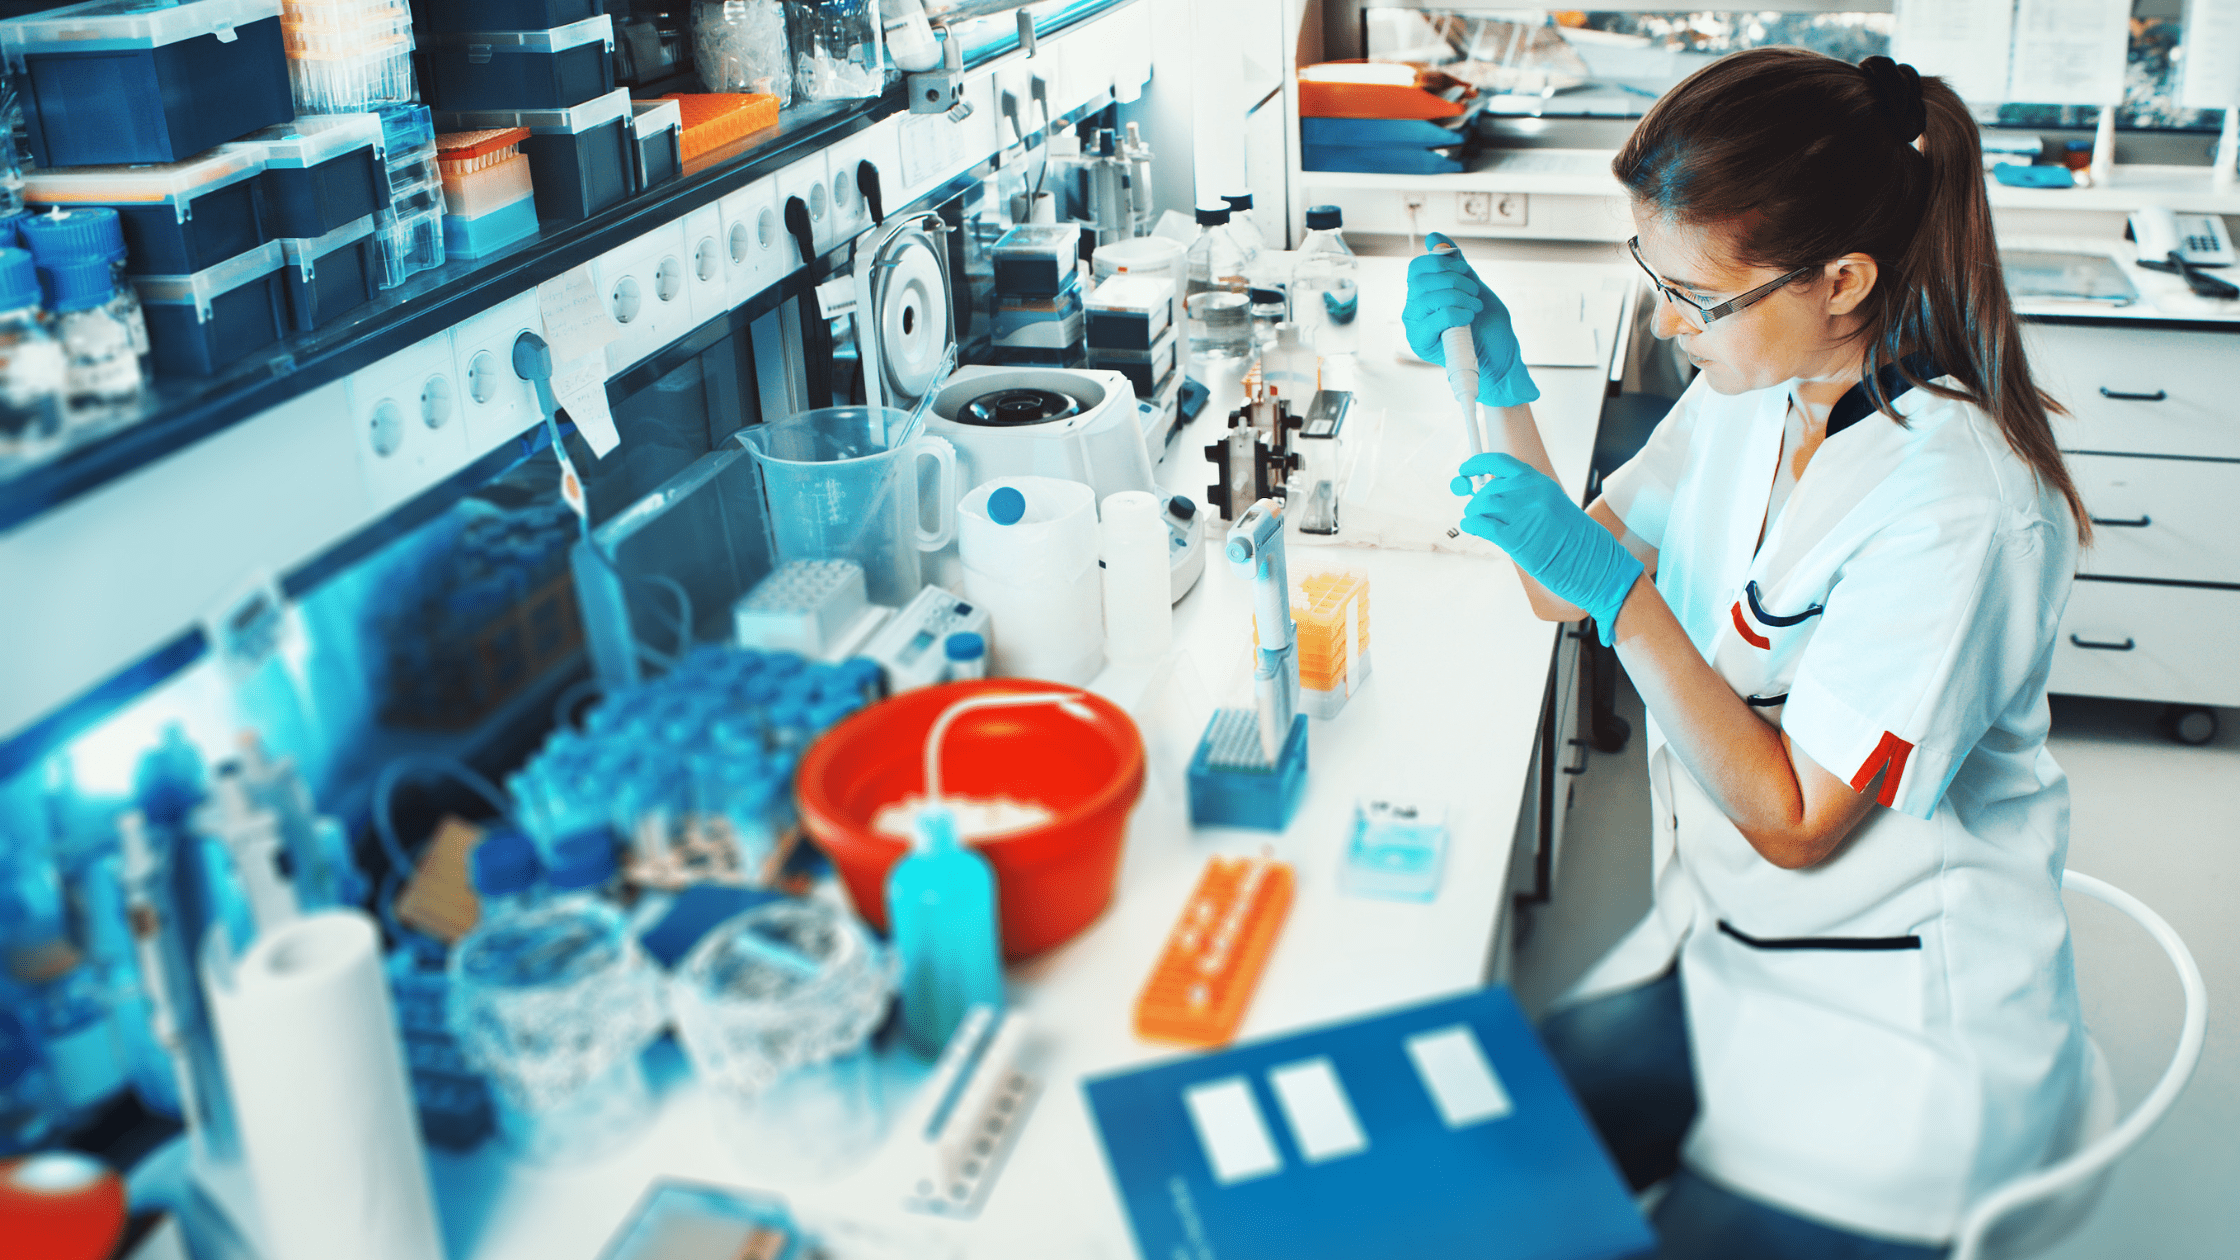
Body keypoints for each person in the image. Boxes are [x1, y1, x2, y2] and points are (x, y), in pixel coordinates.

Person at [1403, 50, 2094, 1259]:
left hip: (1891, 1043)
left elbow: (1795, 819)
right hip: (1728, 952)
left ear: (1840, 279)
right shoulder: (1749, 389)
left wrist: (1630, 605)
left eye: (1696, 298)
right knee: (1453, 1176)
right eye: (1651, 278)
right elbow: (1550, 586)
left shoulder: (1959, 508)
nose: (1666, 325)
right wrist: (1492, 392)